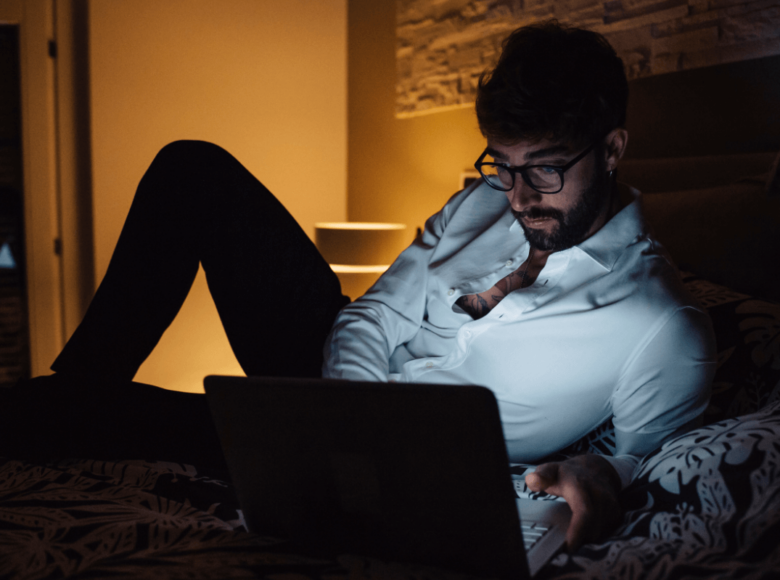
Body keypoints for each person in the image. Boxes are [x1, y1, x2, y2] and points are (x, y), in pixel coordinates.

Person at [3, 21, 715, 552]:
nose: (520, 195)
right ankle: (83, 386)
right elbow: (369, 318)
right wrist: (340, 413)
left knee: (93, 421)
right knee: (192, 169)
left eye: (546, 169)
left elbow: (647, 461)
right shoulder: (477, 204)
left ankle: (72, 404)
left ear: (614, 148)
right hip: (330, 384)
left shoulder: (660, 323)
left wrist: (604, 470)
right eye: (504, 164)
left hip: (408, 470)